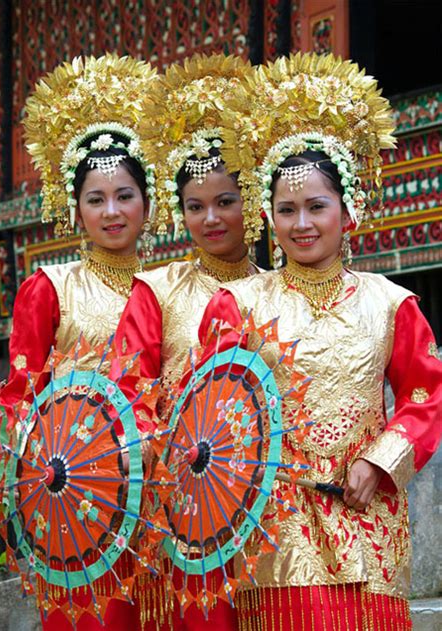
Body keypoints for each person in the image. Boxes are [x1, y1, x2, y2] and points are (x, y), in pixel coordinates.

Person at [199, 53, 442, 631]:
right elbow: (209, 410)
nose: (301, 223)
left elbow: (425, 396)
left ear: (348, 210)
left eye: (316, 207)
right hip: (274, 527)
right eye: (286, 210)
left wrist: (381, 463)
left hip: (368, 517)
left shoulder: (392, 304)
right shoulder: (238, 305)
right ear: (268, 216)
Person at [0, 53, 157, 630]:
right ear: (75, 209)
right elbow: (19, 395)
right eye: (96, 198)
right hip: (77, 502)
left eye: (125, 195)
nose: (112, 212)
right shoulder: (50, 288)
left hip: (160, 503)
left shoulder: (168, 288)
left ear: (149, 201)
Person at [114, 53, 262, 631]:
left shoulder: (275, 290)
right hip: (185, 497)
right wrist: (167, 450)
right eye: (195, 206)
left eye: (226, 201)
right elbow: (128, 385)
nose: (211, 219)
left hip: (270, 492)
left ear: (251, 201)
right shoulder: (157, 288)